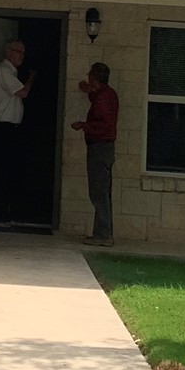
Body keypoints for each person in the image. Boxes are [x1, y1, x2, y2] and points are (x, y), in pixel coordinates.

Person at [0, 39, 34, 225]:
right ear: (7, 52)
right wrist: (31, 77)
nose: (21, 55)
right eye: (17, 51)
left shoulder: (10, 72)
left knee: (10, 170)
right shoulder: (4, 71)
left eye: (23, 52)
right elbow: (23, 93)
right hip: (3, 128)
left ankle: (6, 213)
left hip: (11, 129)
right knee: (2, 171)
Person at [73, 62, 119, 244]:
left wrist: (83, 126)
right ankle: (103, 232)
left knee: (98, 192)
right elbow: (97, 100)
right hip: (105, 148)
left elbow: (105, 124)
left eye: (89, 75)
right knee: (103, 191)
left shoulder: (103, 98)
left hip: (100, 148)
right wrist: (87, 91)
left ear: (94, 77)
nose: (88, 77)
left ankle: (103, 235)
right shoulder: (107, 94)